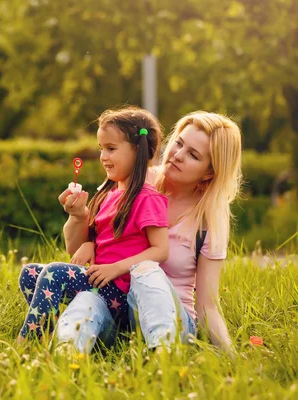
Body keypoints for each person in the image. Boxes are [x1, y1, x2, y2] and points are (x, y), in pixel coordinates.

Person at [57, 111, 242, 354]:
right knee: (86, 303)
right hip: (120, 310)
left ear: (209, 172)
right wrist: (82, 224)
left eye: (193, 155)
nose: (177, 155)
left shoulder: (209, 221)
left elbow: (208, 306)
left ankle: (162, 356)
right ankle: (62, 356)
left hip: (175, 322)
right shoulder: (137, 180)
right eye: (178, 143)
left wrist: (233, 357)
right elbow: (79, 248)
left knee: (145, 270)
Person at [17, 106, 169, 343]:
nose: (103, 157)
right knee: (29, 274)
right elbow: (85, 244)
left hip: (118, 290)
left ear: (138, 151)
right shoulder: (107, 195)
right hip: (99, 284)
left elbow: (160, 250)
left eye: (111, 149)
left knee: (54, 274)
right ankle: (54, 333)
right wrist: (88, 237)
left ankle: (26, 344)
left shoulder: (146, 197)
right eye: (101, 149)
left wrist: (115, 268)